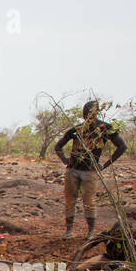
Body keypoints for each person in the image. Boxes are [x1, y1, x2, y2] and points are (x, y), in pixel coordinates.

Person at [54, 101, 127, 239]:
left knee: (89, 202)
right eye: (85, 112)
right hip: (73, 170)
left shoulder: (104, 128)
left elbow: (122, 146)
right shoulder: (76, 130)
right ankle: (69, 231)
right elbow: (58, 146)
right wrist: (65, 160)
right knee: (70, 201)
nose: (86, 115)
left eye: (89, 112)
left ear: (96, 112)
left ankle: (90, 233)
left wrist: (104, 165)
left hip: (90, 171)